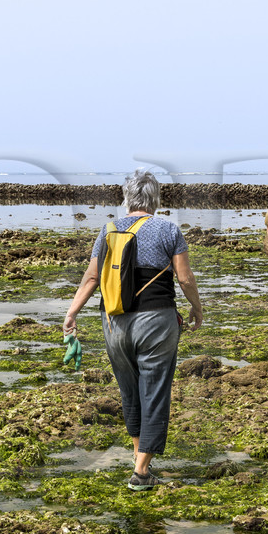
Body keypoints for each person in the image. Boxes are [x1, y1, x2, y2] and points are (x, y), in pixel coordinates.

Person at [64, 168, 203, 490]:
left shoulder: (109, 229)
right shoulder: (168, 230)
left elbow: (91, 278)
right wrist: (196, 308)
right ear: (155, 199)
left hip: (113, 321)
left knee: (129, 391)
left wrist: (72, 313)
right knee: (154, 390)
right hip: (156, 320)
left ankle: (138, 456)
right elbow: (184, 279)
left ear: (126, 199)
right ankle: (141, 473)